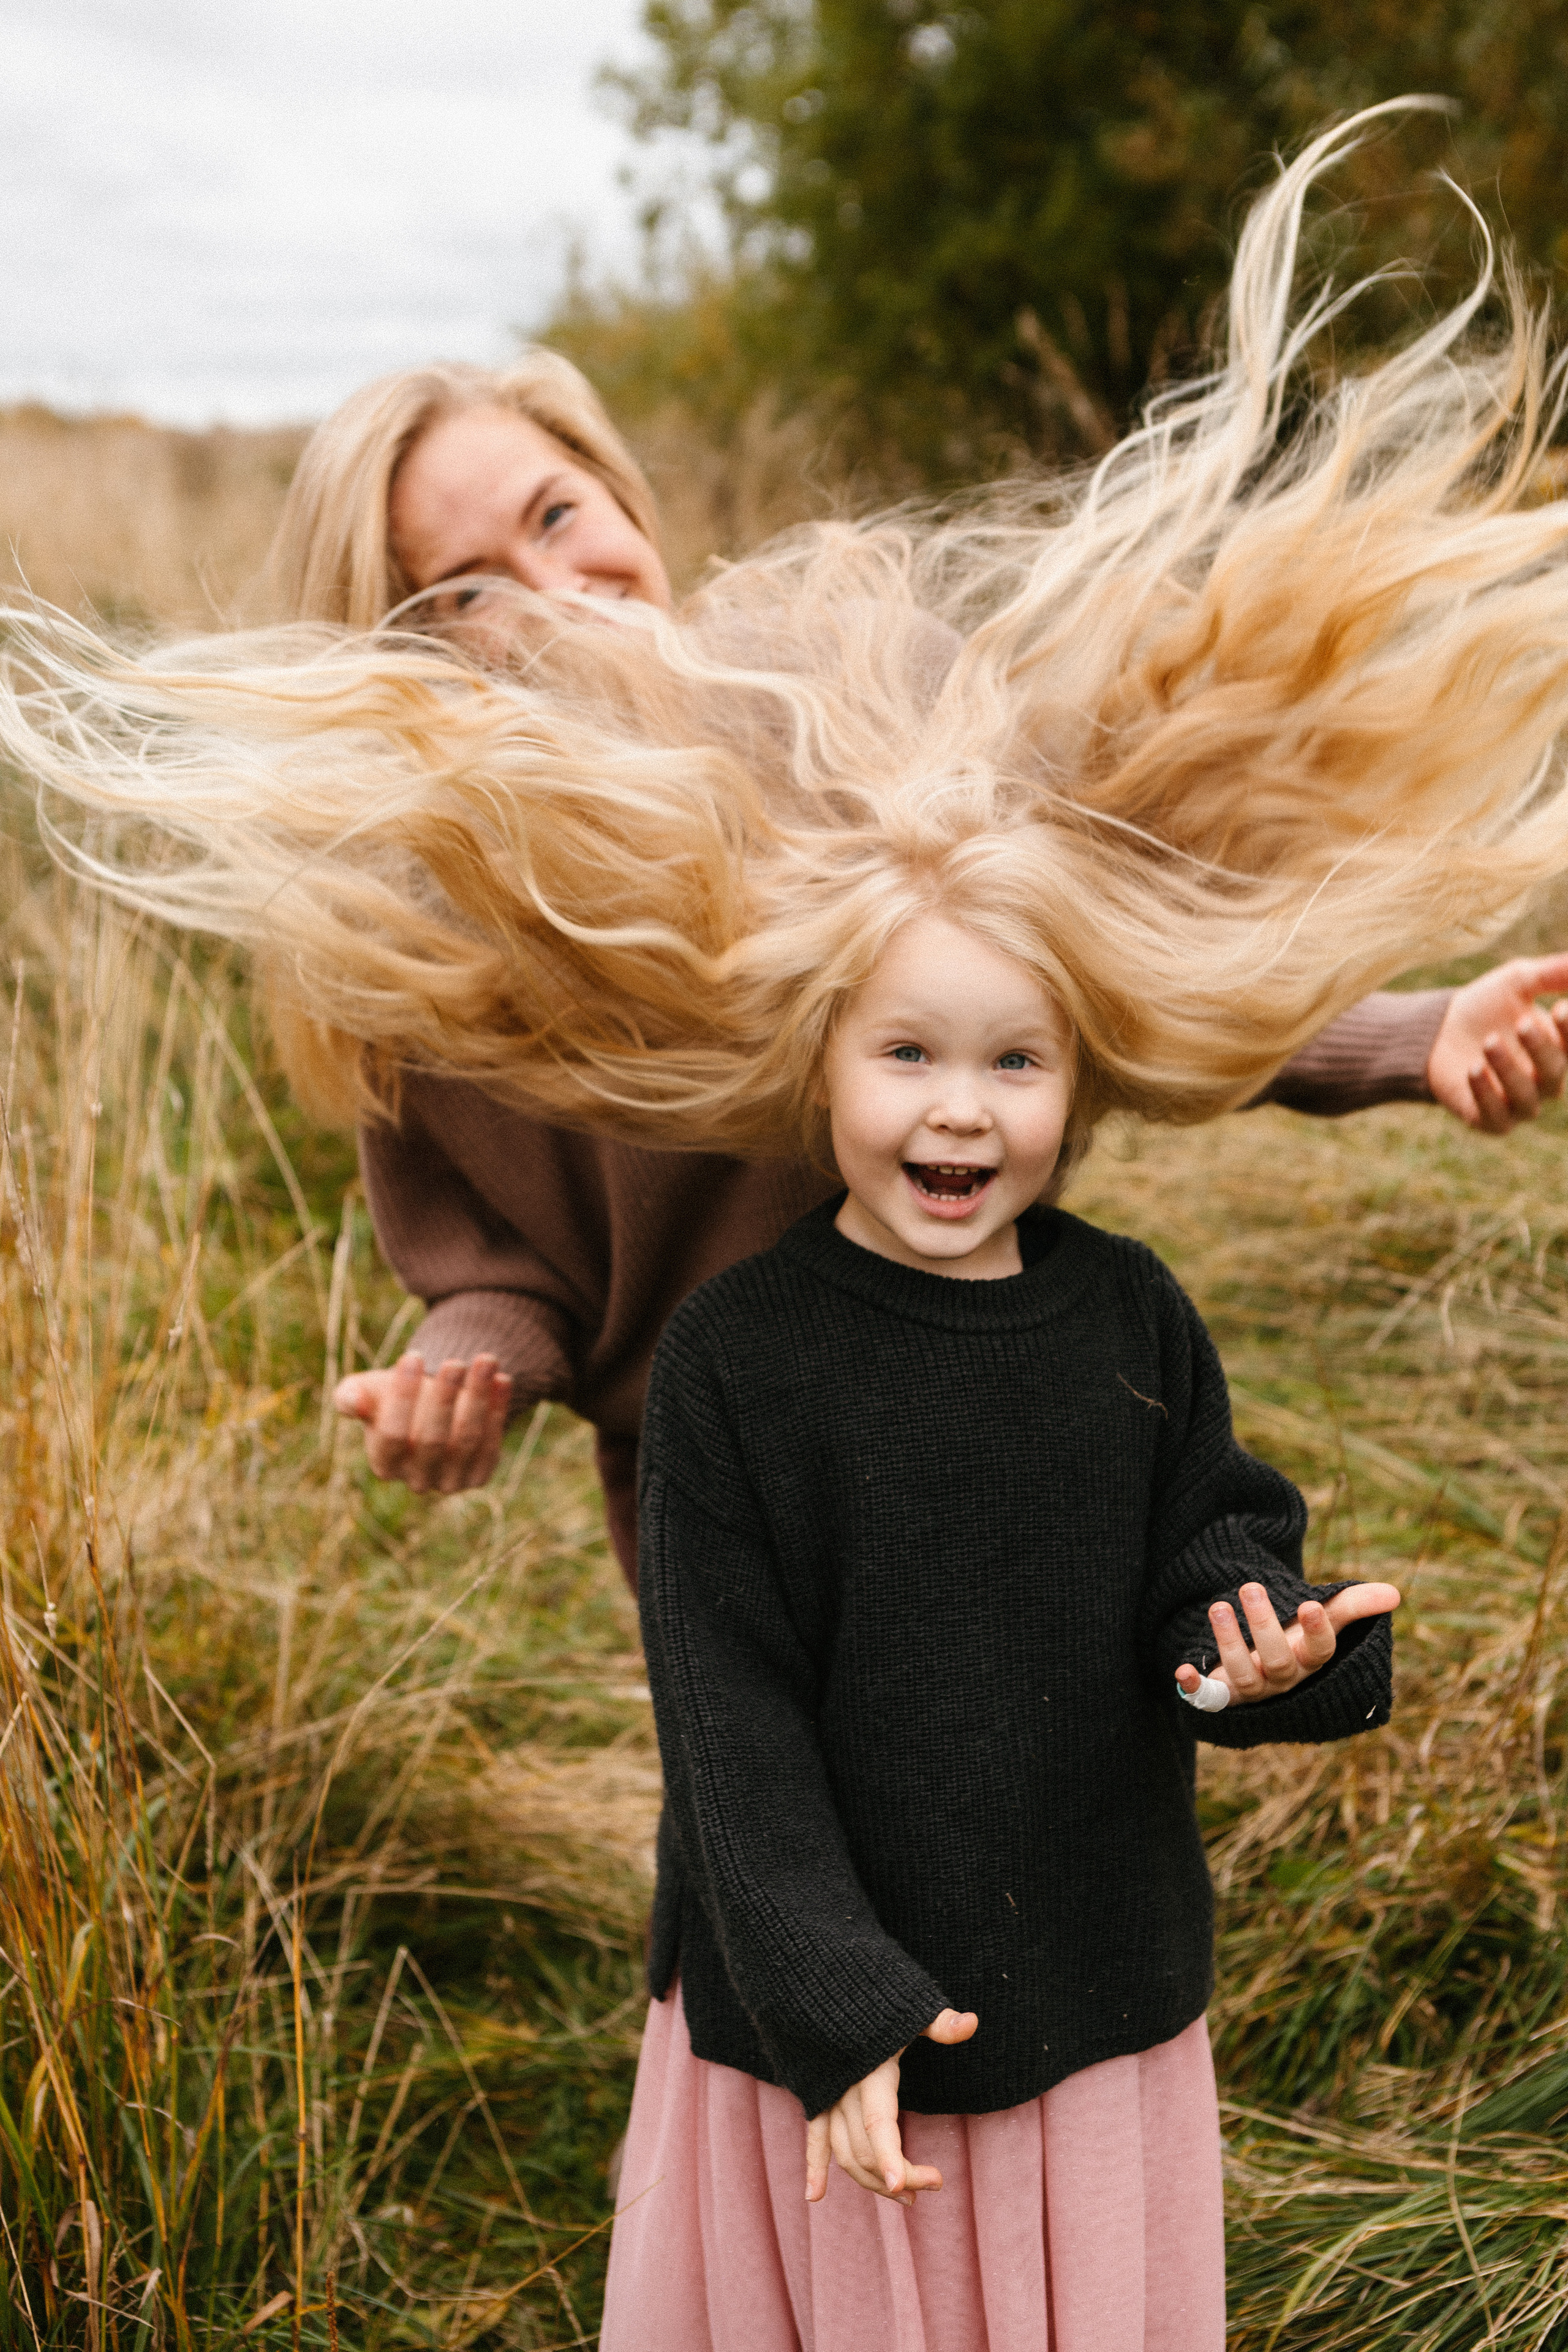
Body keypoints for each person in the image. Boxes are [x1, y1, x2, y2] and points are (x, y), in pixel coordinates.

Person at [271, 345, 1568, 1578]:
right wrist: (465, 1370)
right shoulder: (427, 926)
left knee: (1037, 1768)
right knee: (758, 1798)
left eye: (556, 514)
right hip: (720, 1474)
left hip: (992, 1370)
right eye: (465, 591)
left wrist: (1412, 1036)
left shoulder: (860, 688)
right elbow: (506, 1265)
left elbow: (1114, 951)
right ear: (402, 648)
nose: (555, 591)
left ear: (615, 486)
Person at [602, 902, 1400, 2351]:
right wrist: (832, 2006)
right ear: (820, 1062)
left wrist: (1266, 1652)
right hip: (831, 2015)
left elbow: (1206, 1550)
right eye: (905, 1052)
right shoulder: (736, 1356)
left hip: (1086, 1977)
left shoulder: (1126, 1311)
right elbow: (729, 1724)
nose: (959, 1107)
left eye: (1016, 1062)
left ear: (1079, 1083)